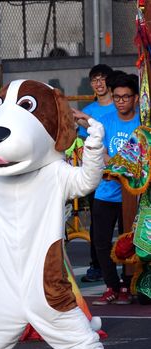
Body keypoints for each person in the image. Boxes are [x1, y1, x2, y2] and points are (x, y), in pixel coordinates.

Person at [76, 74, 140, 305]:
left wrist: (124, 166)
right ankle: (113, 286)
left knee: (130, 241)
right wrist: (113, 162)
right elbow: (99, 149)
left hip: (132, 194)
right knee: (101, 241)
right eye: (117, 98)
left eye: (126, 97)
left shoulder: (142, 122)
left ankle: (129, 284)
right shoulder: (107, 121)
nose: (121, 101)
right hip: (106, 191)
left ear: (135, 98)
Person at [72, 64, 116, 282]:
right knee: (98, 226)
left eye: (102, 79)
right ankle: (97, 266)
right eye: (94, 80)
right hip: (98, 175)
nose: (99, 84)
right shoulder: (87, 111)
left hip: (122, 173)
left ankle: (130, 270)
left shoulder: (120, 107)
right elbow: (82, 140)